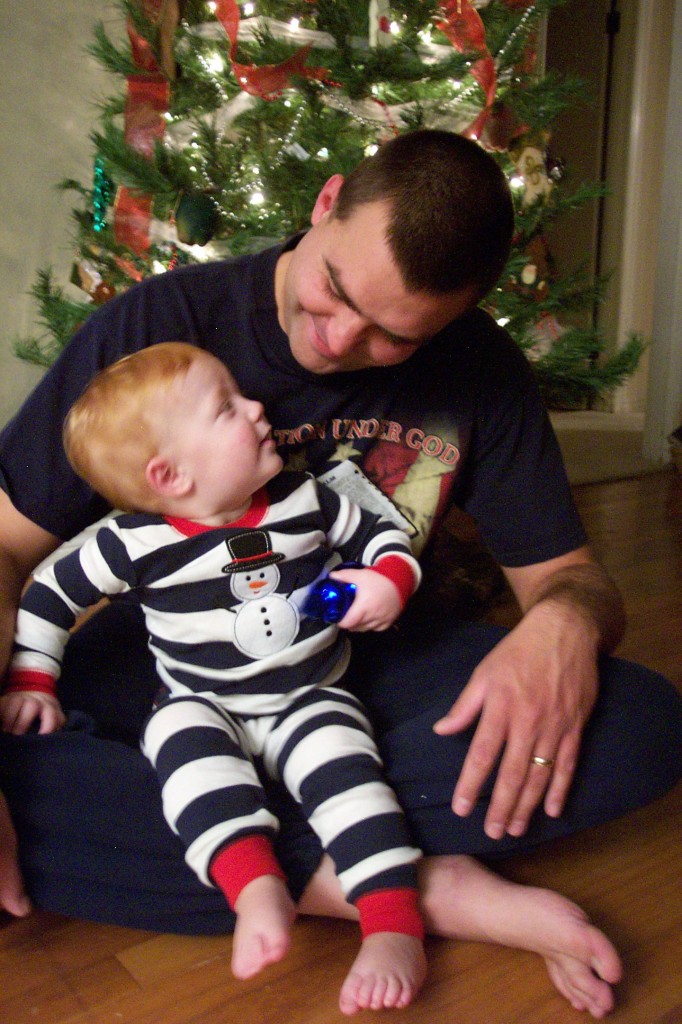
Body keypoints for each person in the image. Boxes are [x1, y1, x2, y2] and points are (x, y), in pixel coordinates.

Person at [0, 129, 680, 1019]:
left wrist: (565, 626)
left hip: (358, 652)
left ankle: (260, 841)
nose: (337, 340)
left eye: (393, 336)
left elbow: (571, 577)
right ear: (325, 204)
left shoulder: (479, 369)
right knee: (27, 764)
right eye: (334, 289)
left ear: (458, 312)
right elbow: (11, 550)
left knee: (645, 727)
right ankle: (405, 885)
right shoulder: (159, 327)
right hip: (179, 669)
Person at [1, 342, 427, 1012]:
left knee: (352, 781)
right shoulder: (130, 543)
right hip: (201, 700)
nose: (258, 409)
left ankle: (393, 924)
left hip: (310, 693)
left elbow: (383, 535)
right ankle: (253, 884)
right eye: (228, 408)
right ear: (169, 475)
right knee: (181, 752)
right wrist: (33, 679)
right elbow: (50, 595)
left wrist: (387, 581)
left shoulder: (302, 496)